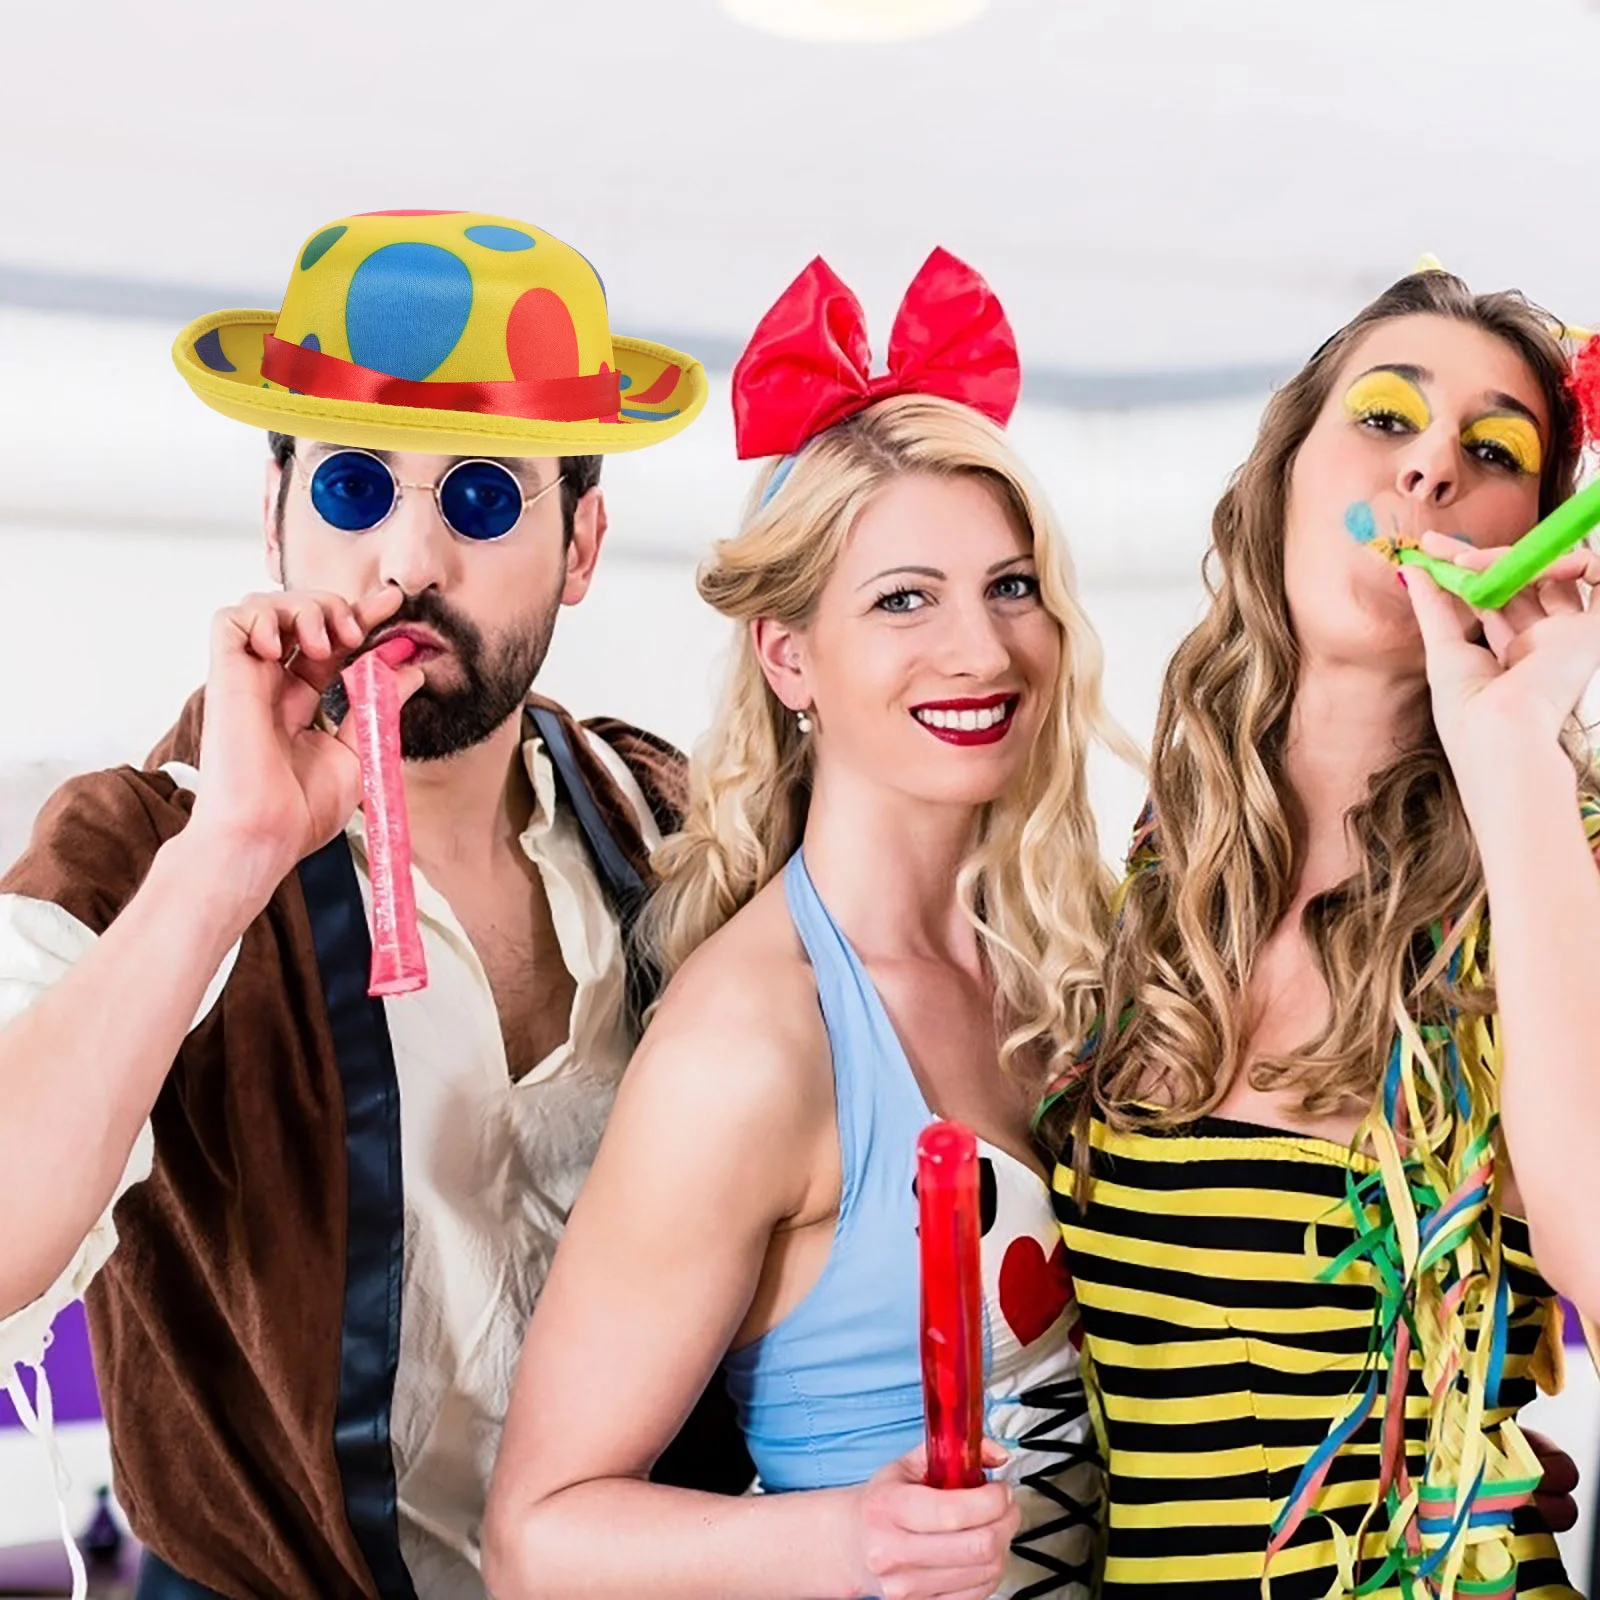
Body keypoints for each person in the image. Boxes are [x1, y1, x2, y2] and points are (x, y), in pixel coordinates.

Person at [0, 208, 749, 1599]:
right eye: (352, 488)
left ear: (581, 547)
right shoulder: (134, 844)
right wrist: (228, 856)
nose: (409, 562)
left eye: (479, 497)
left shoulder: (676, 826)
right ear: (275, 514)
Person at [483, 250, 1122, 1600]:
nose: (982, 651)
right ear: (789, 659)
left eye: (1011, 587)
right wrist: (840, 1539)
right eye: (904, 598)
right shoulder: (755, 1041)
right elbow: (538, 1540)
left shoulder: (1070, 956)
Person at [1048, 266, 1598, 1599]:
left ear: (1544, 526)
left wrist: (1513, 749)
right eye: (1385, 421)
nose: (1428, 475)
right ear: (1278, 481)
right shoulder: (1150, 886)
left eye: (1491, 450)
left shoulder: (1562, 857)